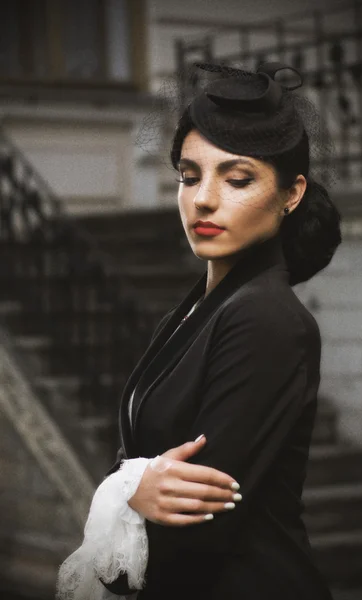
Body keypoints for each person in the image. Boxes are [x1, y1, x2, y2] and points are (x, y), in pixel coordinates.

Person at [57, 62, 341, 599]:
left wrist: (126, 487)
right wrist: (134, 484)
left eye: (237, 179)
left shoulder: (266, 318)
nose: (203, 199)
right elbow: (141, 462)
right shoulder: (190, 314)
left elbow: (201, 519)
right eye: (189, 176)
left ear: (292, 193)